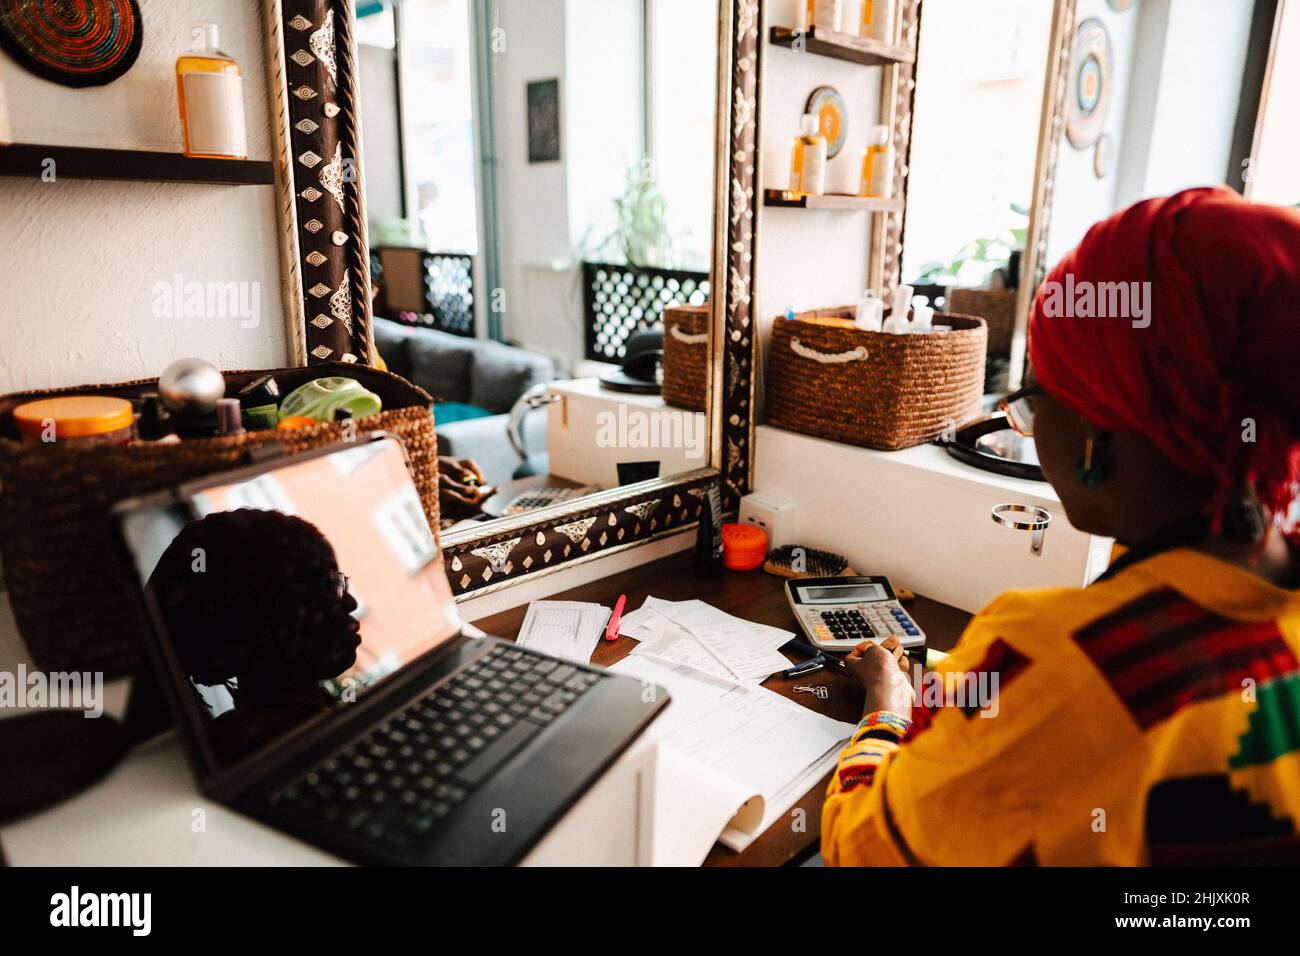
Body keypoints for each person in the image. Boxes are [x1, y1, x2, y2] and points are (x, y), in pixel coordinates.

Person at [823, 187, 1300, 865]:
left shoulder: (1059, 660)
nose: (1030, 421)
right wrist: (940, 673)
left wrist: (887, 704)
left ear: (1096, 432)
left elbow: (862, 847)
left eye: (1036, 397)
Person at [148, 509, 362, 764]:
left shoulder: (270, 732)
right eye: (329, 587)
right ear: (268, 618)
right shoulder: (259, 747)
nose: (350, 602)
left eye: (339, 583)